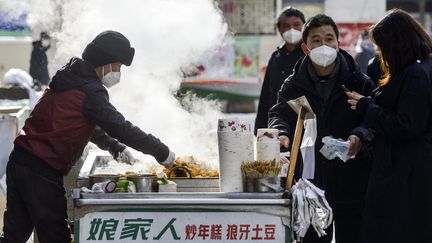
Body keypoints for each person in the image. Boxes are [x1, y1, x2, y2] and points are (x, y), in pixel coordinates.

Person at [0, 30, 176, 243]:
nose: (118, 73)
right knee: (56, 238)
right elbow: (121, 127)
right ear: (106, 63)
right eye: (118, 67)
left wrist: (115, 147)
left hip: (20, 162)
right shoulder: (90, 89)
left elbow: (82, 123)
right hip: (42, 173)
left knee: (13, 237)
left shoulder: (70, 77)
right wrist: (162, 152)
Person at [268, 14, 375, 243]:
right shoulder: (293, 84)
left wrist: (359, 137)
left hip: (352, 181)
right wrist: (282, 134)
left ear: (338, 43)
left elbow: (373, 119)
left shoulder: (358, 81)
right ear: (306, 48)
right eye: (317, 40)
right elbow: (279, 113)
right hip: (310, 184)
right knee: (312, 238)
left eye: (329, 39)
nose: (324, 46)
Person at [346, 9, 432, 243]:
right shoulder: (417, 68)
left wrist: (367, 107)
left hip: (405, 174)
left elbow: (407, 125)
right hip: (405, 170)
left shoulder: (415, 73)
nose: (380, 52)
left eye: (382, 46)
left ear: (396, 43)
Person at [254, 7, 305, 134]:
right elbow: (266, 93)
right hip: (277, 123)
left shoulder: (308, 55)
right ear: (279, 29)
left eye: (297, 25)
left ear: (304, 27)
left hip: (302, 124)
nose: (292, 29)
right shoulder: (276, 56)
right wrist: (260, 127)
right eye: (286, 25)